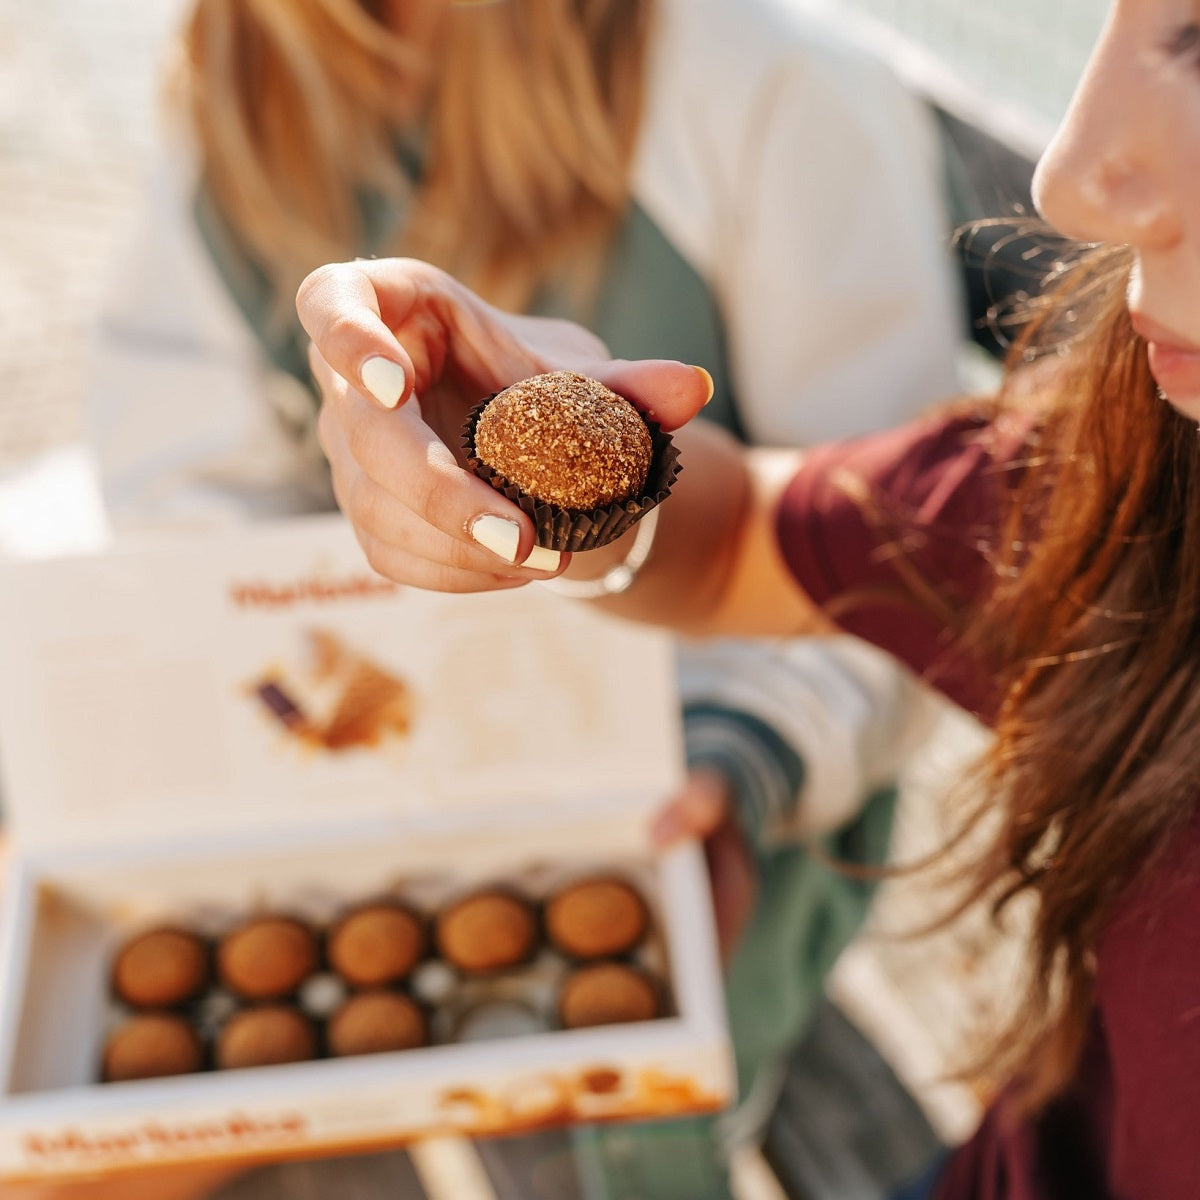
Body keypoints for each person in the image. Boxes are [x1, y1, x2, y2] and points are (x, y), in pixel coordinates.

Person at [297, 0, 1200, 1194]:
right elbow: (746, 543)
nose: (1070, 177)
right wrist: (544, 463)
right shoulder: (1132, 501)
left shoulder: (763, 73)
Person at [87, 0, 962, 1195]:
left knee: (591, 1132)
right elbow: (189, 484)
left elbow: (895, 554)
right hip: (393, 757)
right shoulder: (239, 86)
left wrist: (742, 750)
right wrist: (308, 696)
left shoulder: (764, 80)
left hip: (728, 763)